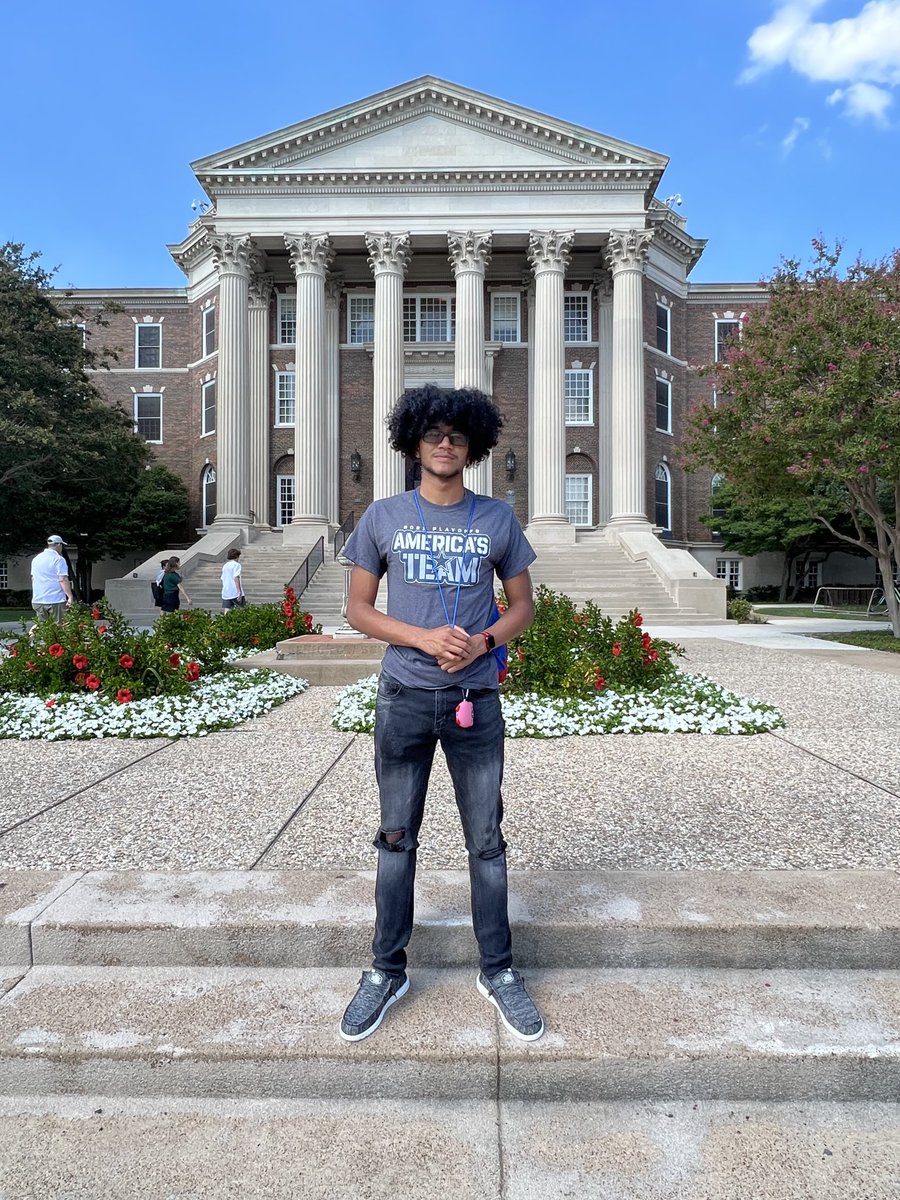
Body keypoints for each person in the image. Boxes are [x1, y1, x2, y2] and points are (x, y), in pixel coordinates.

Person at [339, 384, 542, 1043]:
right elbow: (358, 609)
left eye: (457, 434)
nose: (445, 443)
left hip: (475, 701)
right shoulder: (383, 517)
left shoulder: (497, 519)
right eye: (433, 434)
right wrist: (422, 638)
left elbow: (522, 608)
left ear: (474, 445)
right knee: (396, 839)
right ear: (414, 443)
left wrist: (483, 640)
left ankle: (499, 970)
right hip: (404, 697)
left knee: (486, 843)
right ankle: (385, 971)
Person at [31, 535, 74, 622]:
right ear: (58, 545)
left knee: (43, 629)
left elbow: (33, 578)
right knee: (60, 628)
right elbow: (63, 579)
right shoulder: (59, 559)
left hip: (38, 599)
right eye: (62, 545)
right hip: (55, 599)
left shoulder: (36, 559)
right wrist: (70, 596)